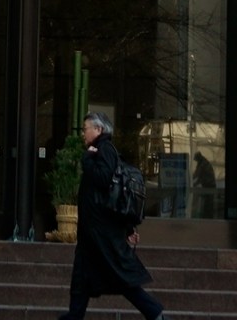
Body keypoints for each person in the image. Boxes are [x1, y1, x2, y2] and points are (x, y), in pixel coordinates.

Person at [63, 112, 167, 320]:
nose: (84, 133)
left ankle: (155, 313)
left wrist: (87, 159)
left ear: (99, 130)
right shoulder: (100, 150)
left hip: (101, 235)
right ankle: (74, 317)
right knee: (81, 281)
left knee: (121, 280)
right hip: (92, 236)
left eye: (86, 129)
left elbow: (103, 179)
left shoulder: (105, 149)